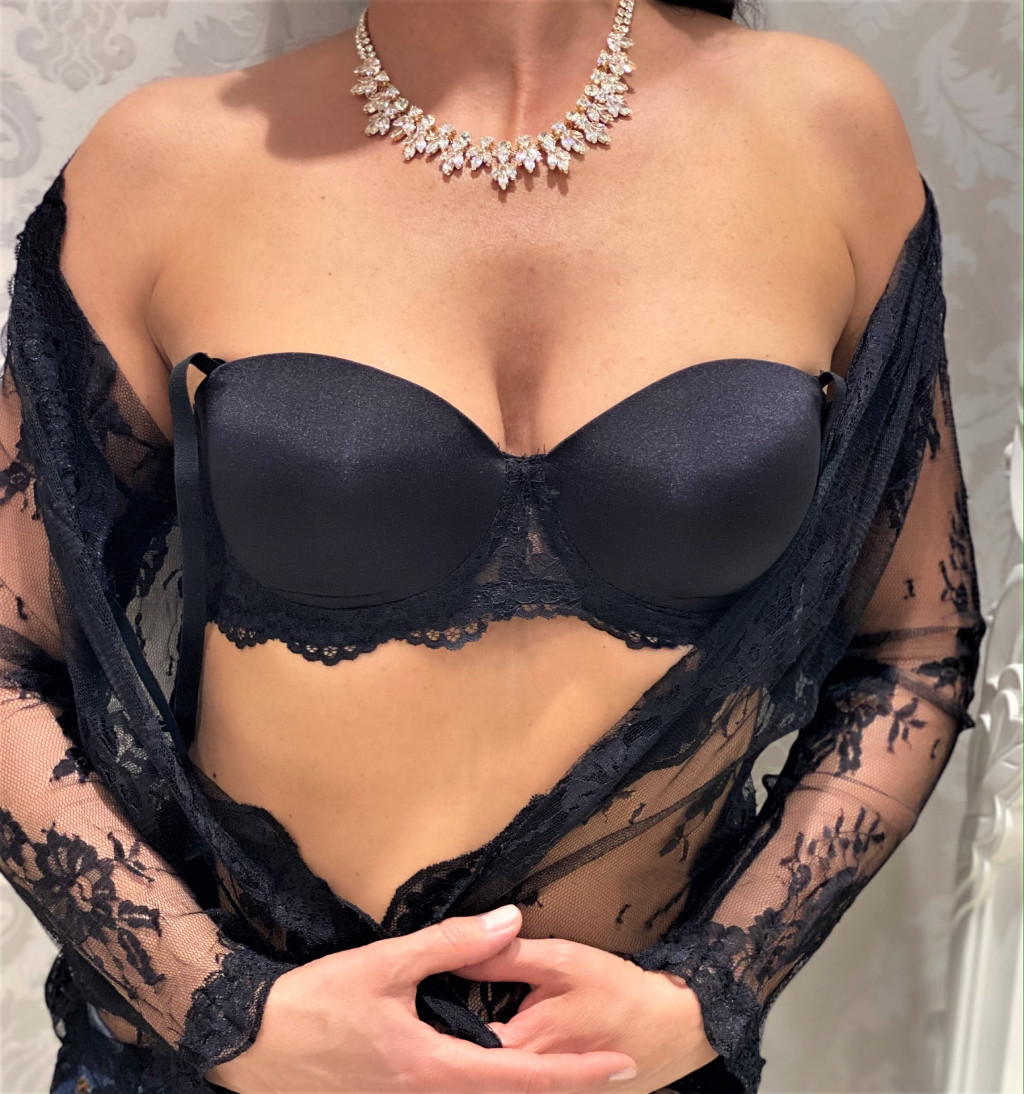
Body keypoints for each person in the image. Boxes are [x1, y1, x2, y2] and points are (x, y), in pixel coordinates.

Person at [0, 1, 987, 1093]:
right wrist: (230, 1011)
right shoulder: (165, 163)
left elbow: (914, 645)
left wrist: (711, 990)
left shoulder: (820, 131)